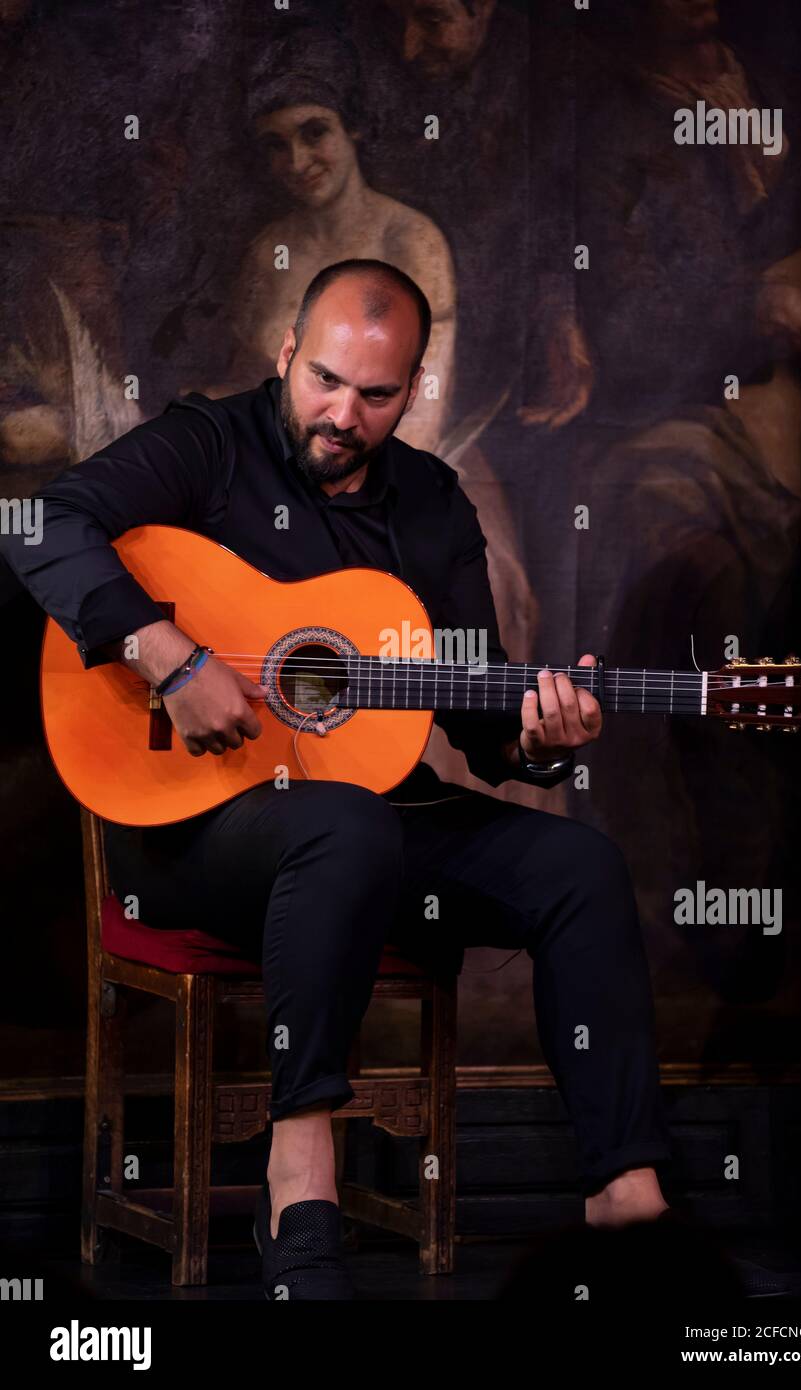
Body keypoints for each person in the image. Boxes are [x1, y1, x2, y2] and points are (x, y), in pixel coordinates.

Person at [0, 259, 674, 1300]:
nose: (340, 414)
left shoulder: (434, 506)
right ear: (284, 355)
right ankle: (299, 1171)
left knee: (576, 864)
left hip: (362, 825)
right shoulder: (206, 445)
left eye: (374, 395)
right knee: (345, 826)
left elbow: (478, 717)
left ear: (411, 393)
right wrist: (169, 658)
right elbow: (47, 525)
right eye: (322, 380)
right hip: (190, 833)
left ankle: (623, 1195)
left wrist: (540, 738)